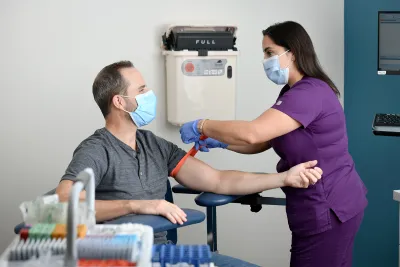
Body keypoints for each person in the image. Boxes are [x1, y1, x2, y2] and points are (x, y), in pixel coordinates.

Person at [55, 60, 323, 267]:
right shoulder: (96, 149)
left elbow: (218, 180)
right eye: (142, 89)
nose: (150, 93)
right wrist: (138, 205)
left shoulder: (154, 145)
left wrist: (283, 178)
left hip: (162, 255)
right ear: (119, 102)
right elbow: (65, 200)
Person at [179, 21, 368, 267]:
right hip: (319, 203)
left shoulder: (309, 93)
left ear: (293, 53)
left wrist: (203, 125)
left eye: (270, 52)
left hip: (329, 206)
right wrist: (222, 142)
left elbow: (253, 133)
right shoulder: (292, 92)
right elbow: (265, 140)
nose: (265, 60)